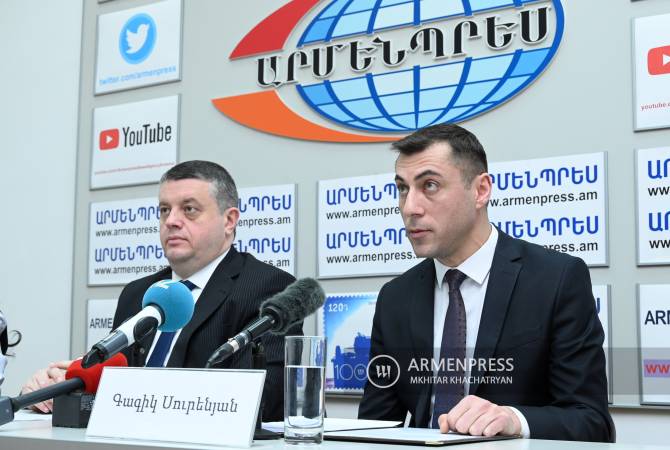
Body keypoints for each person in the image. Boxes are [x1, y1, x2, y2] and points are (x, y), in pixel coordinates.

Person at [358, 124, 614, 442]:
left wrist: (514, 420)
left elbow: (592, 422)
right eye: (403, 189)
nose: (410, 207)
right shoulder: (395, 298)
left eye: (430, 185)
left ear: (480, 191)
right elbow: (374, 427)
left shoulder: (556, 280)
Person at [21, 160, 301, 420]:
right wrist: (64, 386)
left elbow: (264, 398)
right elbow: (114, 381)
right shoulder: (137, 293)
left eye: (189, 209)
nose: (171, 221)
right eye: (165, 210)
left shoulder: (269, 289)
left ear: (229, 221)